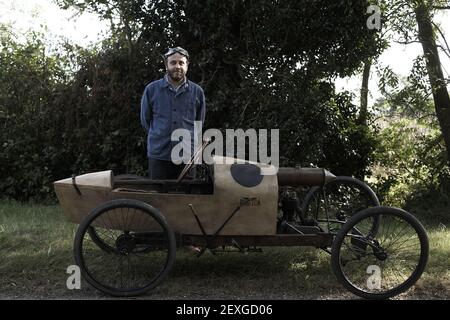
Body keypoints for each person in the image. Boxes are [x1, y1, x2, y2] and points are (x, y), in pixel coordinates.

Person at [140, 47, 206, 180]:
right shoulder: (151, 90)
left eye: (181, 63)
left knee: (187, 199)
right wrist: (160, 134)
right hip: (159, 155)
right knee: (158, 198)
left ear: (187, 65)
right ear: (166, 65)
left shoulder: (197, 92)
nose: (177, 66)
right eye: (173, 62)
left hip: (187, 156)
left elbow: (199, 122)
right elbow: (145, 120)